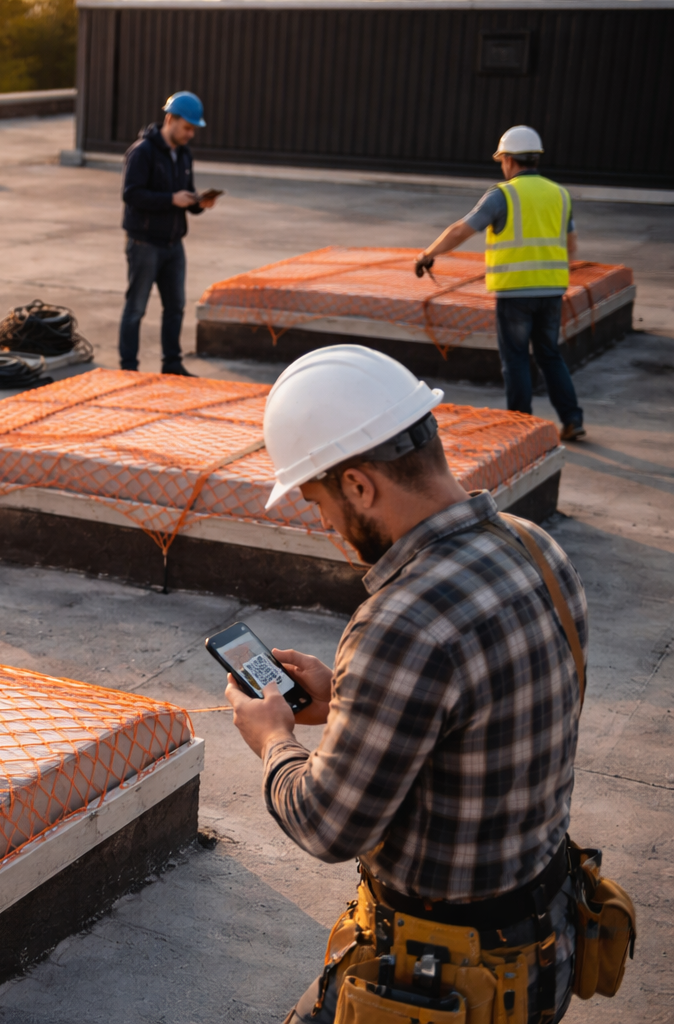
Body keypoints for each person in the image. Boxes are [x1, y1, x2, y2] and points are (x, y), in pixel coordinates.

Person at [226, 345, 585, 1023]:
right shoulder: (537, 546)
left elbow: (328, 825)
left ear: (359, 486)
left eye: (318, 500)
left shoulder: (402, 622)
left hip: (442, 981)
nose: (325, 524)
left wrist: (273, 738)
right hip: (542, 947)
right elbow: (484, 716)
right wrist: (348, 703)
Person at [417, 125, 585, 442]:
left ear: (508, 159)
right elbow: (572, 244)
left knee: (517, 359)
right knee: (550, 355)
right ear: (535, 158)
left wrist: (428, 254)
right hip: (551, 290)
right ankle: (572, 419)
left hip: (515, 292)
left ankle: (520, 427)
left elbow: (461, 230)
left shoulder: (502, 194)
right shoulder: (559, 193)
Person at [118, 90, 219, 375]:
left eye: (193, 129)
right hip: (144, 243)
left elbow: (183, 197)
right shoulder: (142, 152)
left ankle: (172, 364)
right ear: (170, 119)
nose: (191, 134)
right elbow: (132, 195)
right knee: (136, 308)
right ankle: (128, 369)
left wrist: (200, 204)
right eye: (187, 128)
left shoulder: (184, 154)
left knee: (175, 306)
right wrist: (170, 199)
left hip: (174, 244)